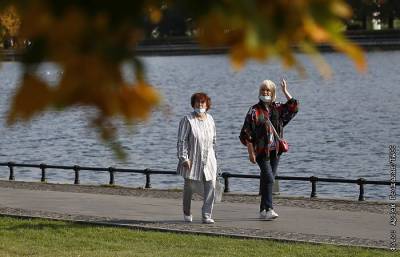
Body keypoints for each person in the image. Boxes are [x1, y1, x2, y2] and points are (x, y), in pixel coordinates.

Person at [240, 79, 298, 220]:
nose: (265, 92)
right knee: (270, 179)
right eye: (263, 90)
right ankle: (270, 209)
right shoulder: (254, 110)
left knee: (267, 180)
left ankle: (262, 210)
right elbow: (246, 132)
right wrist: (250, 152)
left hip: (275, 150)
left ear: (272, 93)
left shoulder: (277, 108)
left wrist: (285, 91)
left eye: (268, 91)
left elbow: (293, 108)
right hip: (260, 151)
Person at [177, 92, 217, 224]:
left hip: (209, 158)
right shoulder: (187, 120)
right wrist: (184, 158)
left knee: (211, 185)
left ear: (207, 104)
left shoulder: (210, 119)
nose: (200, 105)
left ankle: (207, 215)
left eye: (202, 102)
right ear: (193, 104)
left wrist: (214, 157)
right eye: (197, 102)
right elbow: (181, 141)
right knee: (189, 186)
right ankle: (187, 211)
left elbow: (214, 140)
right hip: (192, 159)